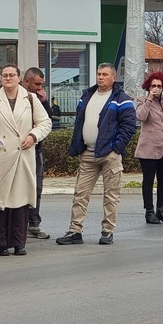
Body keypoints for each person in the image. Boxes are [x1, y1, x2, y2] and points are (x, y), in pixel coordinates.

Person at [57, 63, 136, 246]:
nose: (101, 77)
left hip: (109, 155)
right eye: (99, 74)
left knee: (111, 195)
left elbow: (129, 126)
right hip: (88, 153)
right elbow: (79, 122)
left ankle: (108, 231)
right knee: (80, 193)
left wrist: (116, 147)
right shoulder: (87, 96)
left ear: (113, 77)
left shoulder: (122, 99)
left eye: (105, 74)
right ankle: (75, 231)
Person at [0, 65, 52, 255]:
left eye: (12, 75)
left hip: (22, 154)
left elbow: (45, 122)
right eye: (5, 75)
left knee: (20, 201)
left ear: (19, 78)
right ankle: (0, 244)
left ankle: (19, 243)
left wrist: (33, 136)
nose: (8, 78)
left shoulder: (30, 98)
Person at [135, 71, 163, 225]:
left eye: (159, 86)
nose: (156, 88)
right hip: (148, 148)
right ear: (148, 87)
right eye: (153, 85)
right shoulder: (142, 100)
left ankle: (161, 210)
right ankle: (149, 211)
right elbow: (140, 117)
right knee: (148, 180)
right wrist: (149, 99)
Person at [21, 67, 54, 238]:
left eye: (42, 84)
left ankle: (33, 223)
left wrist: (44, 102)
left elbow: (48, 121)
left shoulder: (39, 98)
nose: (40, 88)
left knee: (36, 187)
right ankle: (15, 223)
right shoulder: (17, 96)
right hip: (17, 150)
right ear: (26, 82)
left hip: (36, 149)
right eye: (37, 84)